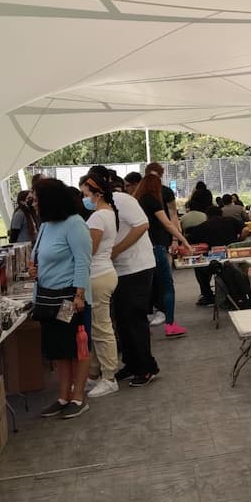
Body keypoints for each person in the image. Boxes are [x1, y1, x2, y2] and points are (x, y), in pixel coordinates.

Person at [88, 165, 160, 387]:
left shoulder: (122, 200)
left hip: (137, 266)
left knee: (134, 318)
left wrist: (116, 250)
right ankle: (131, 363)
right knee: (122, 319)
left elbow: (142, 225)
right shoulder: (101, 207)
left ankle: (146, 367)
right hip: (117, 269)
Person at [32, 178, 93, 419]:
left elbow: (82, 261)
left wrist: (80, 294)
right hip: (48, 298)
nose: (34, 203)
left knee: (76, 346)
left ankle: (78, 396)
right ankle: (63, 396)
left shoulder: (75, 224)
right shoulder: (46, 226)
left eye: (37, 199)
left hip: (68, 299)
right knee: (58, 349)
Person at [133, 172, 192, 337]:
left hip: (140, 250)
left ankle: (143, 325)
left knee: (146, 288)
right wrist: (183, 240)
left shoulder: (136, 201)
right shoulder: (153, 201)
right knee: (167, 285)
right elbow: (167, 223)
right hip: (157, 248)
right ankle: (170, 324)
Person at [80, 175, 120, 399]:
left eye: (85, 194)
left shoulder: (98, 217)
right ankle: (96, 373)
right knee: (97, 328)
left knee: (101, 329)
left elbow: (90, 250)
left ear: (98, 194)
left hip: (98, 275)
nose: (84, 198)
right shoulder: (108, 214)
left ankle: (109, 377)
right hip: (102, 273)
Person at [187, 206, 249, 305]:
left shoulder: (201, 227)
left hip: (212, 263)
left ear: (207, 216)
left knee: (199, 269)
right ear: (221, 214)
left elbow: (191, 244)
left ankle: (208, 296)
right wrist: (238, 241)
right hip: (232, 260)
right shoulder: (231, 220)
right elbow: (246, 230)